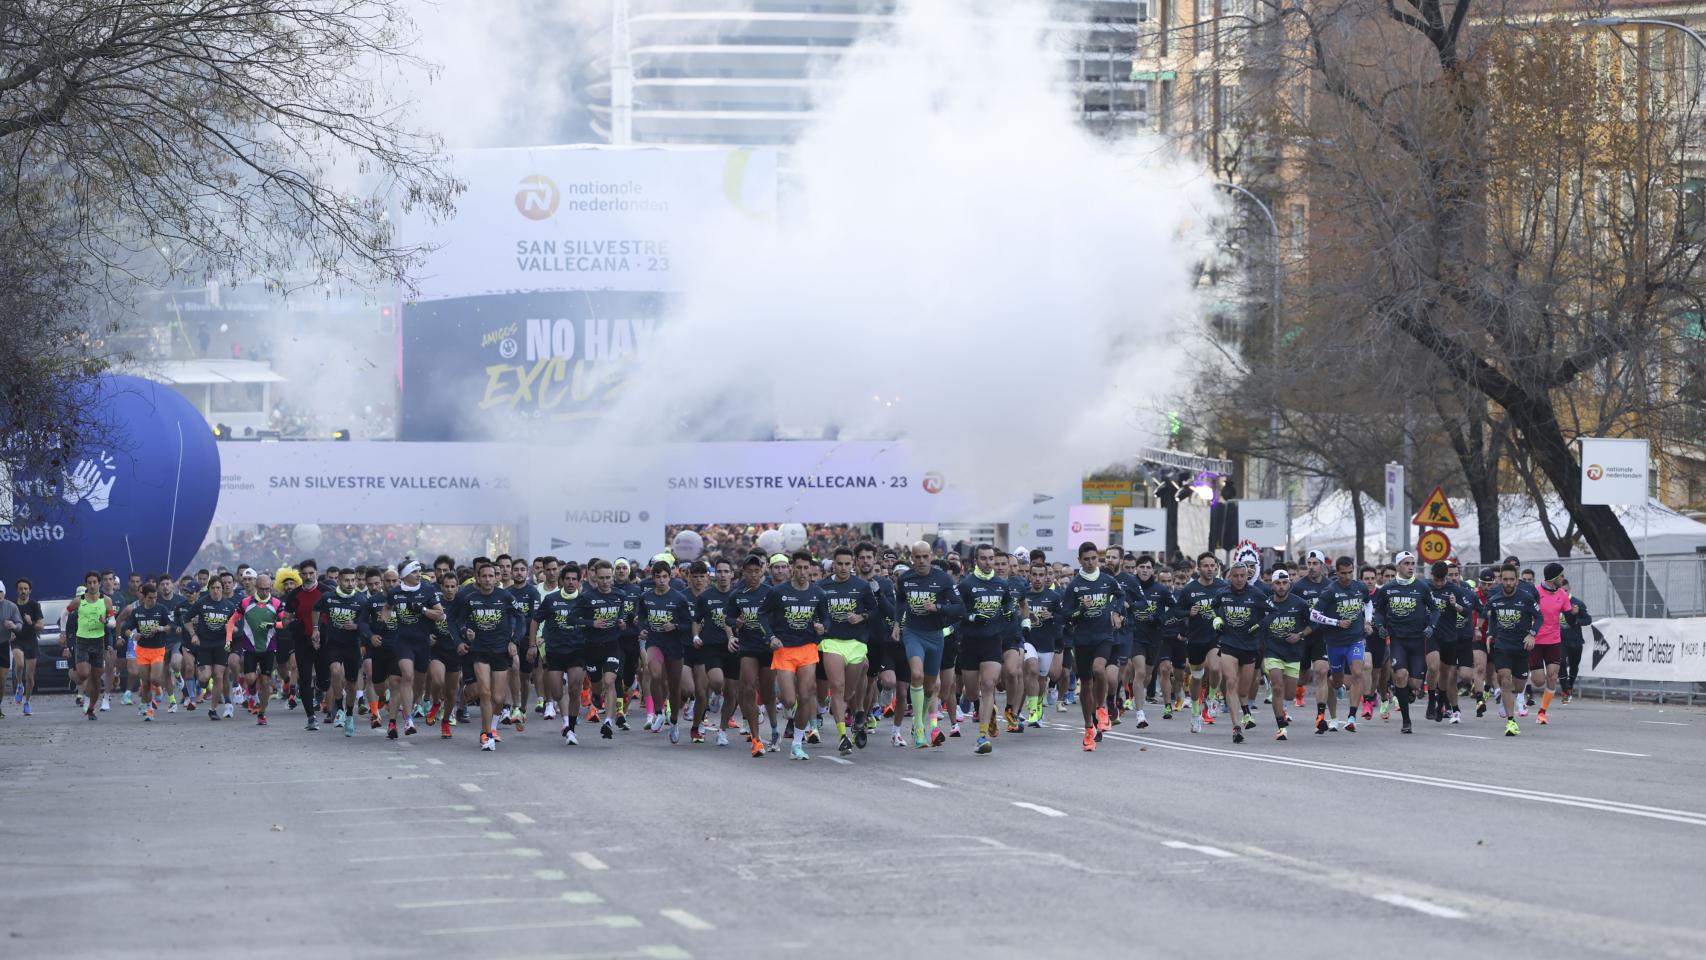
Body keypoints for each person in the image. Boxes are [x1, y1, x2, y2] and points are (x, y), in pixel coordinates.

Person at [893, 541, 964, 749]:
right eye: (917, 557)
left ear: (931, 556)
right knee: (916, 675)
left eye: (925, 557)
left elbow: (960, 608)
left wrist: (938, 607)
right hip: (913, 633)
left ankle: (920, 721)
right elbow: (900, 601)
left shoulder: (942, 579)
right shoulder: (905, 579)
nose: (922, 561)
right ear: (911, 558)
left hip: (935, 636)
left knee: (930, 687)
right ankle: (919, 727)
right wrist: (898, 623)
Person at [759, 551, 829, 761]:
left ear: (810, 569)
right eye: (798, 567)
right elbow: (761, 614)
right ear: (791, 568)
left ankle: (797, 744)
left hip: (807, 648)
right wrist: (770, 637)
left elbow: (826, 619)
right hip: (784, 649)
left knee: (807, 695)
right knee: (790, 700)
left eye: (805, 568)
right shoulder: (778, 592)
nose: (802, 572)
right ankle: (796, 710)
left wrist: (822, 627)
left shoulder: (818, 593)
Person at [1062, 541, 1124, 751]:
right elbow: (1066, 615)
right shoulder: (1074, 585)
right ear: (1079, 560)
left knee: (1100, 669)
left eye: (1093, 558)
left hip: (1104, 636)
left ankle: (1102, 709)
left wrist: (1116, 612)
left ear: (1098, 559)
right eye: (1086, 559)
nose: (1090, 562)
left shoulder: (1107, 580)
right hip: (1082, 640)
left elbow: (1120, 596)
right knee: (1086, 684)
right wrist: (1080, 608)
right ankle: (1089, 727)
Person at [450, 560, 517, 751]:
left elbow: (519, 617)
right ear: (477, 578)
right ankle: (485, 734)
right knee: (484, 692)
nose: (487, 579)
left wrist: (514, 640)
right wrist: (463, 635)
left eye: (491, 576)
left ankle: (493, 727)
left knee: (498, 697)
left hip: (500, 651)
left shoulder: (505, 596)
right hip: (479, 650)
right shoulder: (468, 598)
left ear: (496, 578)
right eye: (484, 576)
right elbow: (455, 620)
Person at [956, 544, 1015, 755]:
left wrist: (1009, 613)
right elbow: (956, 612)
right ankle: (977, 704)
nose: (989, 563)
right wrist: (972, 617)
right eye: (984, 559)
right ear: (975, 561)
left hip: (992, 641)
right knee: (973, 692)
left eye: (991, 558)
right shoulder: (966, 584)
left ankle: (982, 737)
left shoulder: (1001, 584)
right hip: (970, 642)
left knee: (989, 684)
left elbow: (1008, 604)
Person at [1371, 552, 1439, 734]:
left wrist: (1431, 626)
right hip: (1398, 639)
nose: (1411, 567)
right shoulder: (1388, 589)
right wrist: (1379, 625)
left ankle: (1407, 692)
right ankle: (1406, 721)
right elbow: (1378, 612)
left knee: (1415, 684)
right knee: (1400, 675)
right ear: (1398, 566)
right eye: (1407, 563)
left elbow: (1434, 610)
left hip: (1418, 640)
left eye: (1413, 563)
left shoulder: (1421, 587)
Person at [817, 547, 875, 755]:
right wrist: (819, 625)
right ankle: (842, 736)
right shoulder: (822, 586)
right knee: (837, 686)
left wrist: (861, 617)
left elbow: (874, 610)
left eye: (847, 564)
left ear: (853, 565)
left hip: (856, 643)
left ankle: (856, 711)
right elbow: (816, 612)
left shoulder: (861, 586)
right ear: (833, 563)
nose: (843, 568)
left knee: (848, 692)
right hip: (831, 641)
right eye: (839, 564)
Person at [383, 560, 446, 739]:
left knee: (417, 683)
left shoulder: (427, 590)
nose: (419, 574)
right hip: (403, 642)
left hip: (422, 643)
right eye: (414, 572)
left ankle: (400, 715)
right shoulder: (395, 593)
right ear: (404, 575)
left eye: (419, 571)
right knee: (406, 676)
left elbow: (440, 615)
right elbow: (386, 608)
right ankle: (408, 719)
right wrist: (388, 624)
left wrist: (422, 609)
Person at [724, 554, 777, 757]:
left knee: (768, 692)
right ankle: (756, 739)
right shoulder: (737, 594)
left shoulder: (771, 592)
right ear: (743, 572)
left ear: (762, 570)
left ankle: (773, 729)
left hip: (767, 647)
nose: (753, 575)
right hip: (747, 647)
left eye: (757, 571)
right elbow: (727, 617)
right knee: (747, 688)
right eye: (749, 571)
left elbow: (780, 617)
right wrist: (735, 622)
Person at [636, 559, 694, 743]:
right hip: (655, 642)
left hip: (674, 645)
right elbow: (642, 618)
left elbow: (687, 624)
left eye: (665, 577)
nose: (661, 580)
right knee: (653, 673)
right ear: (652, 578)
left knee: (675, 687)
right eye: (658, 577)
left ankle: (675, 723)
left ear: (670, 577)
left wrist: (675, 625)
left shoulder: (679, 598)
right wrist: (643, 629)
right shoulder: (646, 598)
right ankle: (659, 712)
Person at [1309, 556, 1368, 734]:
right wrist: (1336, 622)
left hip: (1355, 639)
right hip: (1334, 642)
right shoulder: (1330, 591)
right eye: (1343, 573)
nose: (1348, 577)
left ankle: (1351, 718)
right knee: (1336, 681)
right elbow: (1314, 615)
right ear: (1337, 572)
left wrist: (1368, 621)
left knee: (1358, 673)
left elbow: (1369, 603)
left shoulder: (1360, 587)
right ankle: (1336, 691)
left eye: (1350, 572)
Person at [1208, 562, 1266, 743]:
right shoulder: (1223, 593)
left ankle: (1246, 710)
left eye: (1243, 576)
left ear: (1247, 576)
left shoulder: (1256, 594)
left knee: (1243, 689)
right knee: (1231, 682)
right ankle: (1236, 727)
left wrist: (1259, 625)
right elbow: (1212, 607)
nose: (1240, 579)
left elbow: (1272, 612)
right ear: (1230, 577)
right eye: (1236, 576)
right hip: (1228, 643)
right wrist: (1217, 618)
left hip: (1249, 645)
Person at [575, 560, 630, 743]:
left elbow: (621, 615)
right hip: (591, 646)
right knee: (597, 686)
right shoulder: (586, 597)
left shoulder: (619, 594)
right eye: (601, 578)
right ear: (595, 577)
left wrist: (622, 622)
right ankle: (596, 696)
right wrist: (592, 623)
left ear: (612, 576)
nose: (605, 581)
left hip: (612, 644)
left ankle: (608, 721)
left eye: (608, 577)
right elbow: (572, 619)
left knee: (610, 681)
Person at [312, 568, 372, 736]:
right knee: (335, 672)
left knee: (352, 684)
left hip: (352, 645)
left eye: (353, 580)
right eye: (346, 580)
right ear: (339, 581)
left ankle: (349, 715)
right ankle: (339, 708)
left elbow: (367, 623)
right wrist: (315, 629)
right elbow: (316, 609)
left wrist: (356, 626)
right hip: (333, 644)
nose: (350, 583)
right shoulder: (328, 597)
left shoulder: (361, 600)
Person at [1484, 564, 1540, 737]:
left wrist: (1532, 634)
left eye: (1511, 579)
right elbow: (1492, 617)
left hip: (1521, 647)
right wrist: (1490, 634)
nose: (1508, 583)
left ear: (1517, 580)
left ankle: (1511, 700)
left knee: (1519, 684)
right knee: (1505, 680)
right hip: (1502, 646)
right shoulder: (1494, 599)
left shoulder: (1527, 597)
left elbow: (1539, 617)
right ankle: (1511, 721)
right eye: (1505, 579)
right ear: (1501, 579)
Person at [1256, 569, 1310, 739]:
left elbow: (1312, 625)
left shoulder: (1300, 604)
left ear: (1289, 584)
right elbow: (1258, 627)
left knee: (1289, 694)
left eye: (1284, 583)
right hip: (1273, 651)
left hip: (1293, 653)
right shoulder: (1265, 605)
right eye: (1277, 583)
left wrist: (1299, 635)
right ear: (1272, 585)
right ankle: (1281, 726)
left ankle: (1284, 707)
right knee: (1277, 686)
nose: (1281, 586)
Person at [1175, 553, 1226, 733]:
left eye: (1213, 565)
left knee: (1215, 668)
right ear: (1198, 568)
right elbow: (1177, 611)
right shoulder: (1190, 589)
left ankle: (1212, 699)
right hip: (1196, 638)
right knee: (1196, 677)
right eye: (1206, 566)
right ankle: (1196, 713)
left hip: (1215, 637)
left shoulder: (1223, 586)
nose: (1210, 569)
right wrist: (1189, 612)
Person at [225, 575, 285, 725]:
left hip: (269, 647)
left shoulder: (277, 603)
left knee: (265, 681)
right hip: (249, 646)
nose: (265, 592)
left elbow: (284, 623)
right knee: (251, 678)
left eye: (267, 589)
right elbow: (232, 620)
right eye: (262, 589)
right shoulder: (246, 602)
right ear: (256, 587)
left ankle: (262, 713)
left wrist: (271, 625)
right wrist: (228, 639)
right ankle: (252, 692)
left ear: (271, 587)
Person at [184, 578, 236, 720]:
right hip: (204, 645)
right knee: (204, 677)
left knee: (219, 676)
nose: (216, 591)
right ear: (209, 588)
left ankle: (213, 709)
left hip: (221, 645)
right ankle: (201, 686)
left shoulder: (229, 606)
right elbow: (186, 618)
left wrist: (231, 629)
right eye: (213, 588)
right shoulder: (202, 603)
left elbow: (236, 626)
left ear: (222, 588)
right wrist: (193, 634)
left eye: (218, 588)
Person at [1531, 562, 1572, 725]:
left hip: (1554, 640)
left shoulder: (1562, 594)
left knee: (1553, 675)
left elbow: (1568, 613)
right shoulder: (1535, 592)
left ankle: (1542, 712)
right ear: (1553, 578)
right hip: (1536, 640)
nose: (1563, 578)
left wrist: (1575, 613)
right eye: (1561, 576)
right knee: (1539, 681)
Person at [10, 579, 43, 716]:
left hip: (31, 641)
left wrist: (31, 622)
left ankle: (27, 702)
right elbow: (6, 623)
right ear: (17, 590)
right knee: (19, 664)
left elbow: (41, 626)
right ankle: (19, 685)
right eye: (20, 588)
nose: (23, 591)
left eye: (25, 589)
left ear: (29, 590)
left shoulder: (34, 605)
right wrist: (10, 631)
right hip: (17, 640)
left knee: (29, 676)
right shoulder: (12, 606)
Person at [1559, 584, 1592, 703]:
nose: (1563, 592)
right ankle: (1564, 691)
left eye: (1565, 590)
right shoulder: (1555, 602)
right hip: (1560, 640)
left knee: (1573, 666)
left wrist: (1576, 619)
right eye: (1560, 590)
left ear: (1569, 590)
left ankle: (1570, 686)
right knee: (1561, 662)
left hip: (1575, 640)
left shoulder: (1577, 603)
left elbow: (1588, 620)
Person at [0, 582, 16, 720]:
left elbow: (19, 624)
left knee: (2, 680)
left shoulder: (11, 607)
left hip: (3, 645)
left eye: (0, 592)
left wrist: (13, 627)